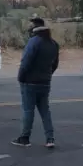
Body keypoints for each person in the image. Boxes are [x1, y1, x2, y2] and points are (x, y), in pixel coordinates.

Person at [11, 17, 59, 148]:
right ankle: (50, 138)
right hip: (45, 82)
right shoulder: (53, 44)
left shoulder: (34, 42)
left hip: (30, 82)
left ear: (35, 29)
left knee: (28, 110)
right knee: (45, 111)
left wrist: (21, 77)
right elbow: (55, 64)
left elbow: (26, 62)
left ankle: (25, 138)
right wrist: (47, 75)